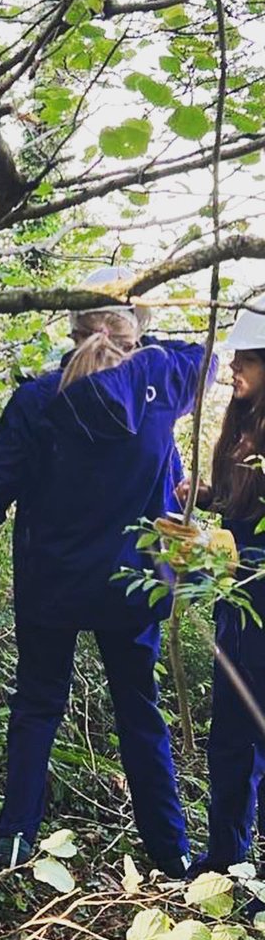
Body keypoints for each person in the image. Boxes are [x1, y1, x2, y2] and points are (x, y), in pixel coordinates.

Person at [0, 266, 211, 875]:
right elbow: (202, 356)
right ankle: (172, 852)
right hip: (131, 587)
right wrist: (141, 332)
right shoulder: (160, 384)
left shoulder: (38, 400)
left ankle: (15, 841)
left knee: (38, 705)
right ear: (134, 329)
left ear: (73, 329)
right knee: (139, 711)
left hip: (52, 586)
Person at [175, 294, 265, 877]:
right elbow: (241, 510)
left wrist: (233, 552)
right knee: (230, 739)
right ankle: (228, 861)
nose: (232, 368)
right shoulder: (239, 430)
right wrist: (204, 498)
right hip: (235, 612)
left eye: (246, 359)